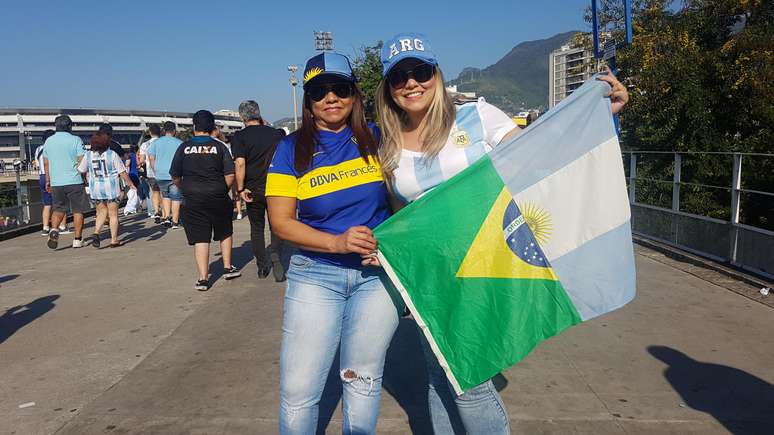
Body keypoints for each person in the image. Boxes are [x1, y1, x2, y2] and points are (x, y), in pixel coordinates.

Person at [373, 32, 630, 435]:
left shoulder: (478, 116)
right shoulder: (385, 145)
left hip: (485, 265)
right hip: (431, 279)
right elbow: (398, 211)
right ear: (389, 89)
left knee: (469, 381)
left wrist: (600, 114)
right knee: (439, 378)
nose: (411, 83)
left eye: (420, 71)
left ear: (436, 76)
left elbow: (537, 157)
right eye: (399, 76)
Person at [265, 52, 400, 434]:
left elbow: (407, 198)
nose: (331, 97)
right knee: (299, 389)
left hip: (377, 278)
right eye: (319, 91)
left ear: (355, 94)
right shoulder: (289, 149)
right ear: (308, 100)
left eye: (340, 88)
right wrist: (337, 243)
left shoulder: (378, 137)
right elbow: (281, 223)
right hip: (315, 275)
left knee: (362, 382)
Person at [170, 110, 241, 290]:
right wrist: (222, 189)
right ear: (212, 127)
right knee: (224, 231)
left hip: (193, 197)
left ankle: (203, 278)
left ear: (194, 127)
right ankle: (227, 267)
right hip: (217, 195)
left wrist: (185, 189)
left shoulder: (183, 148)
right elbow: (230, 174)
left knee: (201, 238)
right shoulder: (219, 147)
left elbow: (175, 176)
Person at [231, 100, 287, 281]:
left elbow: (240, 163)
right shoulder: (276, 134)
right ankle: (276, 256)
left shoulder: (239, 137)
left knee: (257, 228)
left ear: (242, 117)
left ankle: (262, 267)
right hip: (275, 186)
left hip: (251, 189)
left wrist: (240, 189)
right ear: (259, 113)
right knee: (276, 225)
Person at [77, 131, 137, 247]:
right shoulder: (112, 154)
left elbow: (81, 170)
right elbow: (122, 172)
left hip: (96, 187)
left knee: (101, 212)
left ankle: (96, 232)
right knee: (113, 214)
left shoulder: (88, 155)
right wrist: (130, 184)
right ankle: (114, 240)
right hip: (111, 187)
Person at [41, 115, 90, 249]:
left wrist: (48, 180)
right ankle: (77, 239)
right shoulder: (76, 140)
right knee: (78, 211)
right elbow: (82, 160)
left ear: (56, 126)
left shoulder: (49, 141)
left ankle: (54, 229)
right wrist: (85, 177)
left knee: (58, 209)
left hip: (56, 181)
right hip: (74, 180)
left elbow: (46, 163)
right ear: (70, 126)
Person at [148, 121, 183, 229]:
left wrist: (156, 169)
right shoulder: (179, 143)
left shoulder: (156, 143)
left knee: (165, 196)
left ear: (163, 130)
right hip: (174, 174)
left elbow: (151, 158)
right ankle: (175, 221)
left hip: (160, 174)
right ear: (174, 131)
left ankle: (167, 217)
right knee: (176, 197)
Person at [35, 130, 70, 236]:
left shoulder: (38, 149)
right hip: (53, 176)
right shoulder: (53, 148)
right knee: (61, 202)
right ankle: (62, 226)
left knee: (47, 204)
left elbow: (37, 163)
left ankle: (45, 227)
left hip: (41, 176)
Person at [139, 124, 162, 220]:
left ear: (150, 132)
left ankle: (156, 211)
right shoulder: (163, 142)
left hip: (150, 172)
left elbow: (141, 160)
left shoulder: (145, 144)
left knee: (154, 192)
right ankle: (165, 213)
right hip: (163, 172)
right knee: (164, 193)